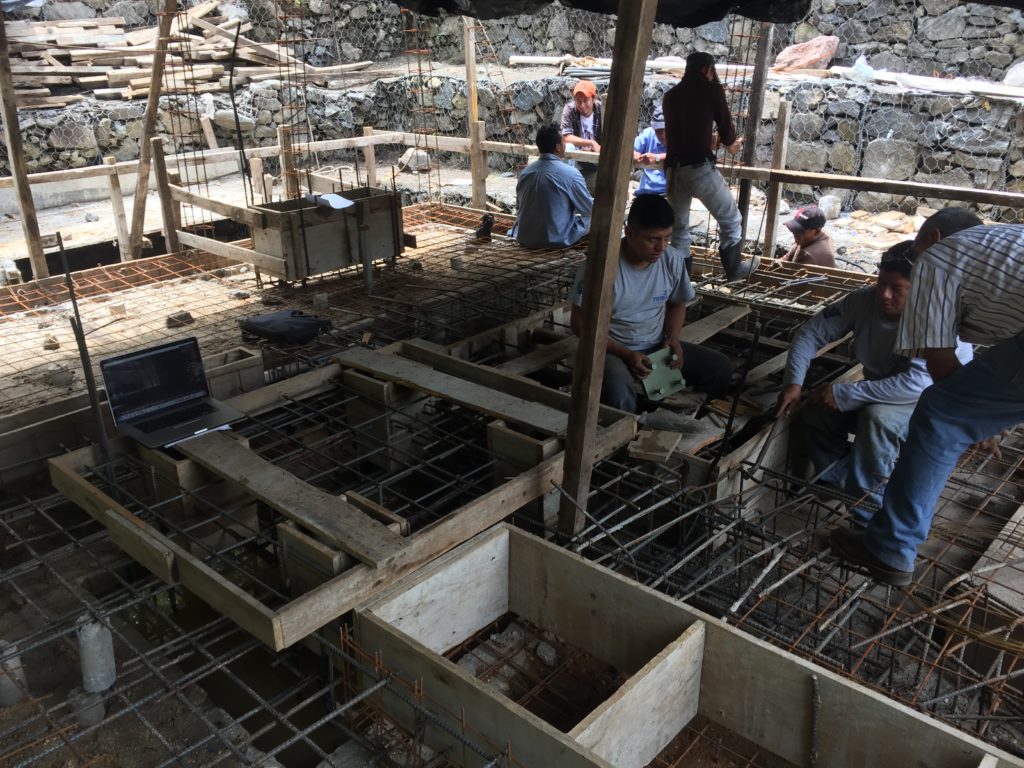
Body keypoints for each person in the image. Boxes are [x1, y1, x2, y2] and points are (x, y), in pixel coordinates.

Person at [829, 211, 1024, 589]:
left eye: (914, 248)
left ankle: (890, 546)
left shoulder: (937, 258)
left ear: (931, 237)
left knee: (938, 413)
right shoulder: (1003, 245)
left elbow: (938, 361)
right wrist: (976, 419)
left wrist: (964, 420)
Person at [775, 239, 973, 525]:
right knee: (815, 410)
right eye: (882, 284)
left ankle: (867, 517)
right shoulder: (863, 301)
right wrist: (793, 382)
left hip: (930, 402)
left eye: (897, 289)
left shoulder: (934, 317)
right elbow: (811, 333)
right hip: (883, 389)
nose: (885, 295)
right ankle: (838, 481)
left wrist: (845, 394)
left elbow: (919, 381)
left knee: (877, 418)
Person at [570, 194, 733, 421]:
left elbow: (677, 303)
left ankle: (695, 427)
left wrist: (673, 338)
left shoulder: (672, 259)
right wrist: (626, 354)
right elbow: (579, 323)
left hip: (655, 345)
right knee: (618, 392)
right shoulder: (599, 266)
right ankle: (623, 443)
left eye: (667, 238)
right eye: (653, 239)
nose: (661, 247)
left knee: (720, 368)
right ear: (630, 233)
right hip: (610, 348)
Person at [662, 51, 757, 281]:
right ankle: (734, 270)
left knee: (680, 230)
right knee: (731, 219)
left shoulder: (671, 96)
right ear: (708, 69)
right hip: (699, 168)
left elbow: (684, 132)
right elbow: (727, 130)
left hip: (673, 169)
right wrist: (730, 143)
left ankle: (681, 281)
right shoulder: (710, 90)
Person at [509, 125, 593, 249]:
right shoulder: (570, 173)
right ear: (558, 148)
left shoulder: (525, 173)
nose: (565, 145)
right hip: (555, 240)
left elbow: (519, 207)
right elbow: (589, 209)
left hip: (525, 237)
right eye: (564, 142)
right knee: (596, 216)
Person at [560, 80, 602, 195]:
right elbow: (566, 137)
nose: (582, 105)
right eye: (578, 101)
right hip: (577, 158)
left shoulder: (602, 110)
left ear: (593, 98)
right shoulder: (569, 109)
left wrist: (596, 148)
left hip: (599, 156)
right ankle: (568, 185)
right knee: (567, 147)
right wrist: (589, 143)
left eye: (585, 101)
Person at [633, 105, 667, 197]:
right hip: (646, 192)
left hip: (669, 193)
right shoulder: (648, 134)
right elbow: (629, 151)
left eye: (665, 130)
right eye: (658, 130)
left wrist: (657, 158)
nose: (662, 135)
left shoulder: (682, 137)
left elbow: (684, 154)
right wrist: (635, 155)